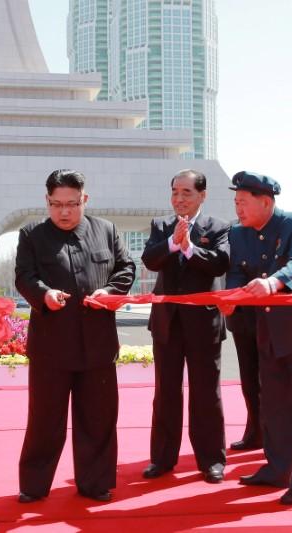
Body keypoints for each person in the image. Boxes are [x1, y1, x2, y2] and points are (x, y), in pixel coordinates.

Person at [14, 169, 135, 503]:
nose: (64, 212)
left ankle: (95, 483)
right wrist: (44, 295)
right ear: (47, 201)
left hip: (97, 344)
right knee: (44, 421)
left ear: (85, 199)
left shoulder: (106, 230)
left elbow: (126, 268)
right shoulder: (32, 235)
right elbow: (24, 276)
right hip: (52, 345)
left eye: (71, 204)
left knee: (98, 418)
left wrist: (109, 290)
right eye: (56, 204)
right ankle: (34, 485)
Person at [221, 171, 292, 506]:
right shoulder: (238, 234)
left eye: (243, 202)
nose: (238, 208)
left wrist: (273, 282)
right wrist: (232, 300)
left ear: (266, 202)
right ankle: (277, 469)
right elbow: (237, 273)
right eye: (236, 202)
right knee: (275, 406)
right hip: (268, 330)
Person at [140, 169, 229, 483]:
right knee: (166, 392)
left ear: (202, 196)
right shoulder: (160, 225)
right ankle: (162, 459)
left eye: (186, 193)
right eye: (175, 192)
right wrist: (173, 244)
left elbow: (220, 263)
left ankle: (212, 461)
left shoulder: (218, 227)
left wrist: (189, 247)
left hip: (204, 322)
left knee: (206, 392)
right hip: (167, 323)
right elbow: (150, 259)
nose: (179, 199)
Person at [225, 305, 262, 451]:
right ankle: (255, 434)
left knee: (276, 382)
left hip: (274, 314)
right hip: (241, 314)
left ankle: (277, 438)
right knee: (249, 380)